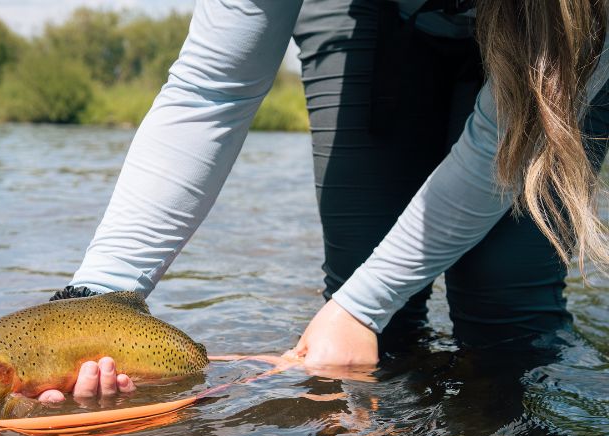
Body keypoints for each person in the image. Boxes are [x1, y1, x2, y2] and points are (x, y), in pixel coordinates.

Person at [43, 0, 609, 402]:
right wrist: (92, 305)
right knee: (356, 319)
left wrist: (366, 302)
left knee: (506, 296)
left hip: (560, 32)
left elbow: (503, 138)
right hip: (371, 17)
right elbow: (209, 90)